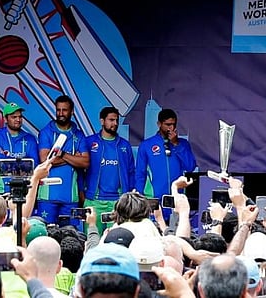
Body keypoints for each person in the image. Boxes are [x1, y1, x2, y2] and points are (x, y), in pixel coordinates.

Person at [37, 94, 90, 224]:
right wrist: (73, 158)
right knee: (46, 235)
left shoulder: (79, 134)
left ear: (71, 112)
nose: (60, 113)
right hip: (47, 197)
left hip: (71, 197)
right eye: (58, 110)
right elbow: (45, 160)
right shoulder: (46, 132)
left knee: (71, 236)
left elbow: (85, 162)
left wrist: (62, 154)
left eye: (64, 110)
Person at [84, 106, 136, 235]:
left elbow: (131, 172)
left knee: (116, 242)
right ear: (102, 121)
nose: (115, 124)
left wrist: (127, 196)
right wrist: (83, 192)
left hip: (117, 202)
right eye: (111, 120)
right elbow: (80, 171)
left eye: (117, 120)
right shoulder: (89, 142)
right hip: (94, 201)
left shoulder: (124, 145)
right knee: (92, 238)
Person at [135, 108, 197, 200]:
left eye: (173, 124)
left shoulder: (183, 144)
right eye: (168, 124)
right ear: (159, 124)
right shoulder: (146, 145)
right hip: (155, 198)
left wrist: (176, 144)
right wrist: (139, 197)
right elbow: (140, 173)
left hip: (177, 196)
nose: (171, 128)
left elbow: (190, 167)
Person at [0, 102, 39, 194]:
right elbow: (0, 164)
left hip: (25, 190)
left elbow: (34, 164)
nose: (18, 120)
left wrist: (7, 159)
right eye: (14, 117)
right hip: (2, 191)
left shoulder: (30, 139)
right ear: (5, 119)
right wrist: (24, 163)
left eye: (20, 117)